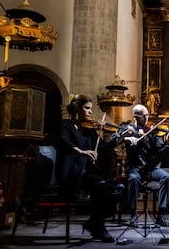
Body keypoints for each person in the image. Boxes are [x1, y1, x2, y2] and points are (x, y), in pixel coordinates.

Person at [55, 94, 124, 243]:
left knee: (119, 187)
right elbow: (64, 142)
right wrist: (81, 151)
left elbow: (103, 149)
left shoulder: (89, 129)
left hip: (87, 172)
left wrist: (119, 138)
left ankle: (95, 222)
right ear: (76, 109)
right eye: (87, 108)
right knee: (102, 186)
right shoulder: (65, 125)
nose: (90, 112)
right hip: (72, 173)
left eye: (90, 109)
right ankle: (99, 226)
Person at [111, 104, 169, 227]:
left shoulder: (151, 132)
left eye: (147, 115)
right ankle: (133, 215)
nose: (147, 118)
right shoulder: (127, 129)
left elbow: (160, 150)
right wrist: (126, 137)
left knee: (166, 177)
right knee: (133, 179)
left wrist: (168, 141)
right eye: (145, 116)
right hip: (134, 168)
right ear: (136, 116)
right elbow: (115, 140)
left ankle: (161, 214)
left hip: (150, 168)